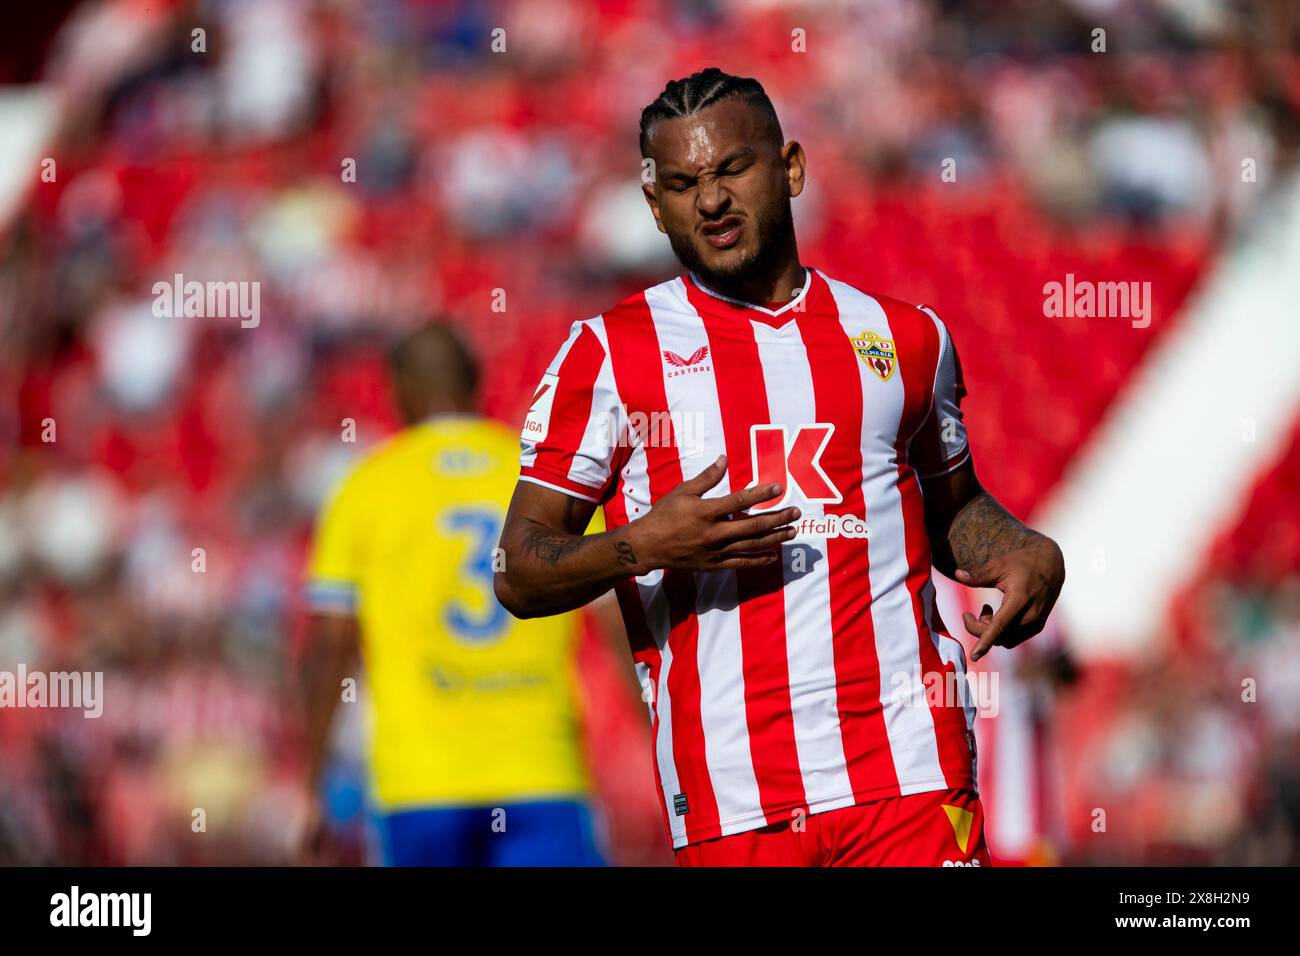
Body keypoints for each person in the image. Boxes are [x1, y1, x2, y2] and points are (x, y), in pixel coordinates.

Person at [494, 68, 1066, 866]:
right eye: (685, 184)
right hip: (735, 796)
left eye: (732, 169)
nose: (711, 201)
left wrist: (1023, 551)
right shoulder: (611, 355)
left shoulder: (906, 340)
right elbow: (518, 571)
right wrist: (645, 545)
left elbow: (955, 511)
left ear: (791, 169)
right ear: (656, 206)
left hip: (909, 774)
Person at [302, 324, 605, 866]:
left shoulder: (366, 485)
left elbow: (331, 649)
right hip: (540, 768)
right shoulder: (544, 473)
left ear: (401, 390)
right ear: (476, 383)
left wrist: (311, 782)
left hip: (420, 781)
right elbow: (619, 622)